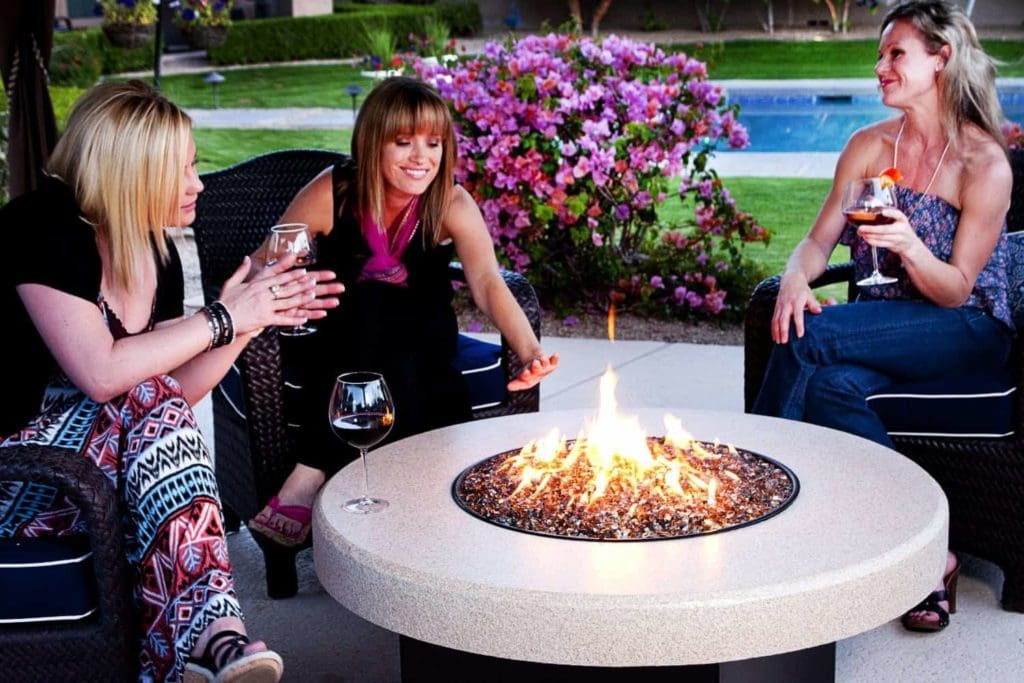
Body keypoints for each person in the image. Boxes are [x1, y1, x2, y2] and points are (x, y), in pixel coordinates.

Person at [0, 81, 338, 681]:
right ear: (133, 171)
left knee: (153, 395)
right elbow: (103, 374)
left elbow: (175, 399)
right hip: (18, 480)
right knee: (142, 388)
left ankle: (216, 643)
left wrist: (251, 323)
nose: (198, 185)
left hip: (90, 477)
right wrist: (225, 317)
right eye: (181, 170)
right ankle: (209, 637)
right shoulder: (41, 226)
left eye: (195, 166)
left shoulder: (155, 252)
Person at [752, 0, 1013, 633]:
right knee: (830, 383)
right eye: (880, 54)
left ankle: (751, 493)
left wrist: (907, 244)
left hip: (965, 329)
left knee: (808, 338)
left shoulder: (985, 165)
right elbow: (818, 242)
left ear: (940, 59)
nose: (880, 67)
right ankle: (931, 554)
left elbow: (955, 289)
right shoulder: (868, 147)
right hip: (881, 328)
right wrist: (793, 276)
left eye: (896, 53)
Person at [247, 77, 558, 548]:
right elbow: (265, 262)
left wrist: (529, 349)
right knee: (370, 304)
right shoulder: (334, 193)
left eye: (433, 143)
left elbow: (489, 282)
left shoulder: (450, 201)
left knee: (397, 315)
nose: (421, 157)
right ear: (372, 143)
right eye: (403, 142)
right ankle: (402, 487)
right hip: (341, 342)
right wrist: (290, 284)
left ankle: (311, 469)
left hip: (424, 342)